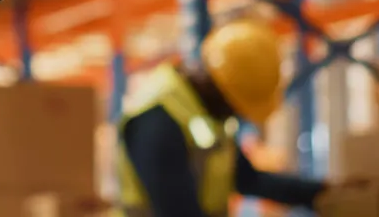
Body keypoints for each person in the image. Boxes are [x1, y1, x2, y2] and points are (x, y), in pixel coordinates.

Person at [115, 18, 328, 217]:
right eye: (237, 107)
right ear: (223, 92)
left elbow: (248, 179)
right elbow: (177, 211)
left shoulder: (207, 116)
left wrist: (321, 193)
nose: (238, 115)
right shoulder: (158, 120)